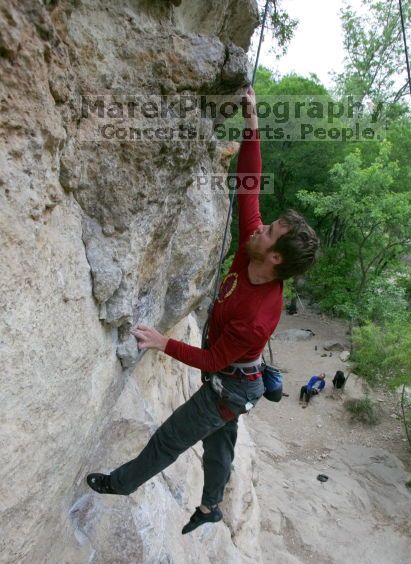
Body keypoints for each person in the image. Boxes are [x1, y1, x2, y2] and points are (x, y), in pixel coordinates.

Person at [87, 87, 319, 534]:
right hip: (235, 380)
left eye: (269, 231)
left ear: (275, 259)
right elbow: (250, 183)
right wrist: (252, 123)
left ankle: (120, 484)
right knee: (220, 448)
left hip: (229, 388)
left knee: (173, 437)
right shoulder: (253, 251)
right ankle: (212, 507)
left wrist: (161, 342)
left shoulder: (258, 316)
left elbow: (214, 361)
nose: (260, 226)